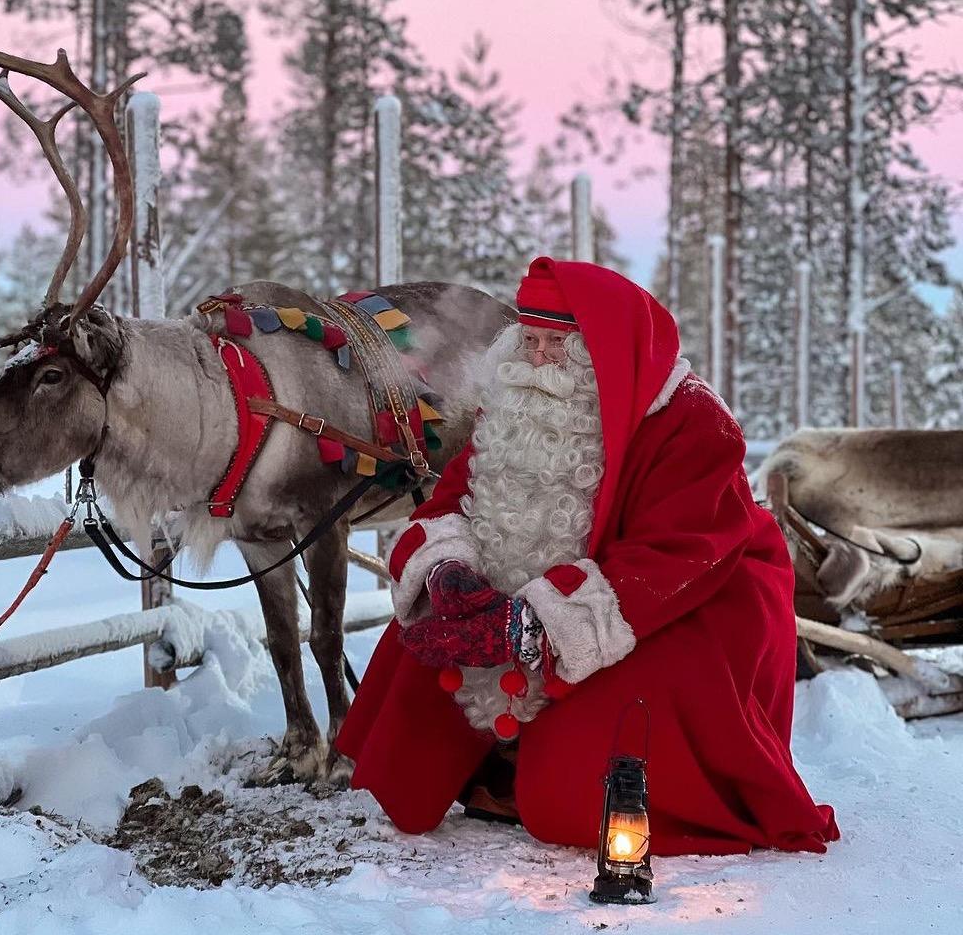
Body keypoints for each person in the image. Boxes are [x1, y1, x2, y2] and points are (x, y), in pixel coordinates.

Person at [336, 257, 839, 856]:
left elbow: (675, 556)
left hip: (678, 603)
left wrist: (535, 628)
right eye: (530, 339)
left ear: (600, 348)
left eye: (557, 343)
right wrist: (448, 571)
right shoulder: (518, 401)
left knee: (575, 791)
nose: (538, 358)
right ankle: (491, 762)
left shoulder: (693, 419)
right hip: (553, 596)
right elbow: (451, 501)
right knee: (430, 651)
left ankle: (543, 767)